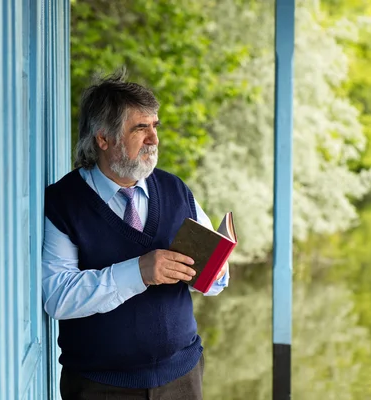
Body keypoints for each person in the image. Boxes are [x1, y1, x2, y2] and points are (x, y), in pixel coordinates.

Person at [42, 69, 230, 399]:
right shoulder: (63, 203)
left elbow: (214, 283)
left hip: (183, 377)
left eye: (154, 127)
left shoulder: (176, 190)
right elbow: (58, 296)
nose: (154, 139)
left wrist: (214, 273)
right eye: (140, 128)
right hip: (100, 387)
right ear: (103, 138)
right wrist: (139, 272)